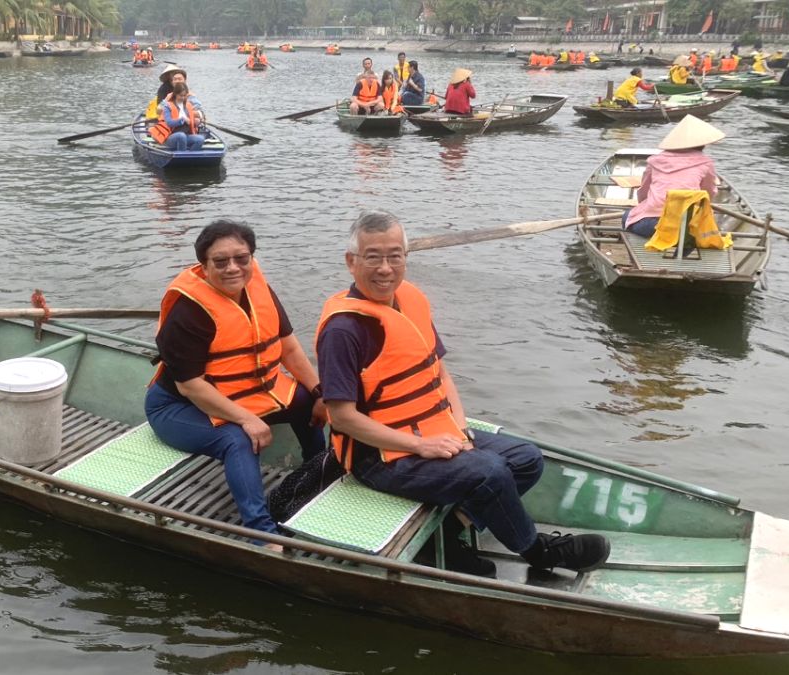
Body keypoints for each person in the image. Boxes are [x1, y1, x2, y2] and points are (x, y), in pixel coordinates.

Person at [314, 210, 611, 577]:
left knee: (526, 458)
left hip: (430, 430)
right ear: (351, 262)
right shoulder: (344, 330)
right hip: (378, 457)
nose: (385, 268)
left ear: (406, 258)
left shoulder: (409, 301)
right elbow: (341, 416)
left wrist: (458, 428)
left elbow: (439, 373)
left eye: (395, 255)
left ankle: (448, 536)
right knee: (489, 471)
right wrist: (420, 447)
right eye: (373, 257)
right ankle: (540, 551)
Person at [146, 220, 327, 546]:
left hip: (244, 394)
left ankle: (320, 478)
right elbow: (190, 386)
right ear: (204, 265)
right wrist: (247, 420)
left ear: (252, 258)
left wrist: (319, 392)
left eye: (241, 258)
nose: (233, 268)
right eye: (221, 261)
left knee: (306, 403)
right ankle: (260, 533)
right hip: (177, 408)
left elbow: (288, 346)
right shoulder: (189, 310)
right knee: (237, 438)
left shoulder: (259, 289)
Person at [623, 115, 723, 238]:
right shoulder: (706, 163)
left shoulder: (655, 161)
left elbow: (643, 192)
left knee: (627, 217)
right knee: (697, 233)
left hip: (651, 225)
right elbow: (709, 194)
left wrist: (644, 207)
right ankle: (681, 255)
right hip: (688, 227)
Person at [150, 82, 206, 151]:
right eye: (180, 95)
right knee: (181, 136)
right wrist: (182, 120)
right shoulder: (168, 106)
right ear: (175, 94)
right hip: (169, 137)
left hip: (186, 135)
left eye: (184, 95)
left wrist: (195, 122)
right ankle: (182, 157)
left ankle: (190, 157)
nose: (183, 98)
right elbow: (169, 123)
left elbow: (191, 122)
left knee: (200, 139)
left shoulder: (188, 106)